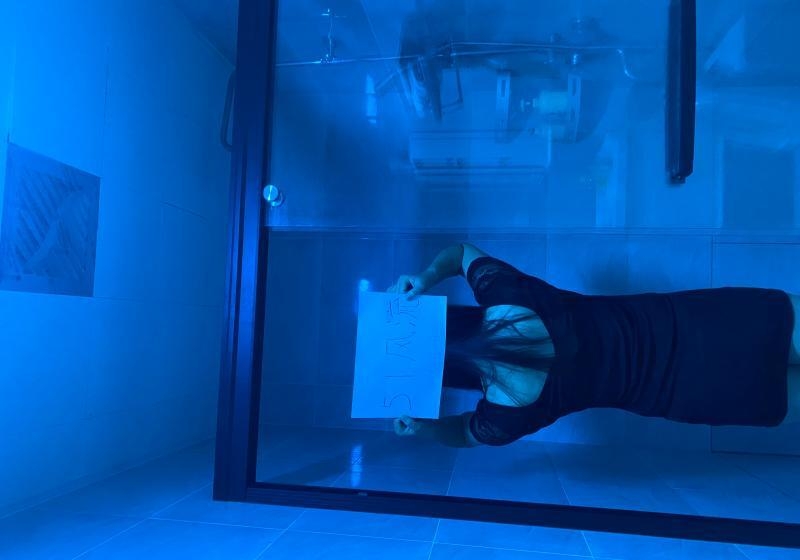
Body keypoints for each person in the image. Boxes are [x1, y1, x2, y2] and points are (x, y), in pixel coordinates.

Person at [387, 243, 800, 448]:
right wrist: (425, 278)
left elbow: (464, 433)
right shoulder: (507, 297)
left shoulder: (503, 415)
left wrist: (424, 428)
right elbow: (460, 253)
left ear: (445, 379)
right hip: (696, 322)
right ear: (448, 320)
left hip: (686, 393)